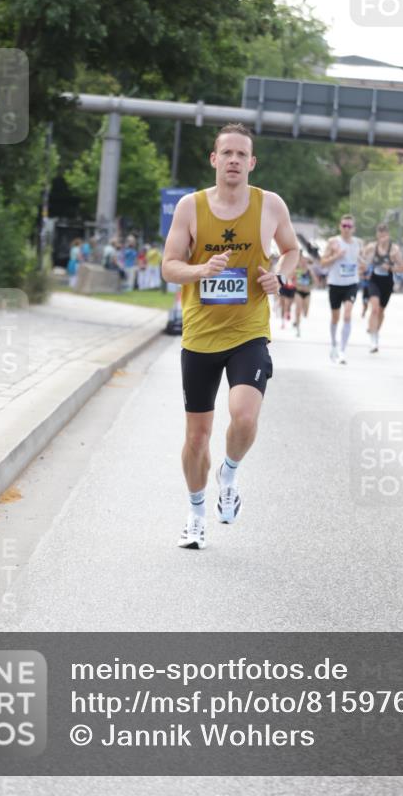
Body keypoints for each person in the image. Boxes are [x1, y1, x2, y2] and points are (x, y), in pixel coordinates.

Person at [161, 123, 299, 550]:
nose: (235, 160)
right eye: (228, 153)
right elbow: (169, 266)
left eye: (243, 154)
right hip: (200, 335)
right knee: (196, 437)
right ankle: (195, 513)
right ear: (214, 160)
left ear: (252, 163)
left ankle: (230, 474)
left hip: (248, 331)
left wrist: (280, 276)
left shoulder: (270, 205)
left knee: (243, 415)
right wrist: (199, 270)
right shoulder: (190, 207)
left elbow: (292, 250)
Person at [320, 214, 363, 364]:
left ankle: (342, 351)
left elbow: (361, 261)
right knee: (335, 317)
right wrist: (336, 255)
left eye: (349, 226)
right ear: (340, 226)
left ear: (353, 229)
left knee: (347, 315)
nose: (346, 229)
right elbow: (323, 263)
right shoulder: (333, 242)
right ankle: (333, 345)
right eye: (344, 226)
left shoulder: (358, 243)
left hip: (351, 283)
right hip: (335, 284)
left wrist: (362, 265)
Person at [362, 224, 403, 354]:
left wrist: (391, 268)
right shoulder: (372, 247)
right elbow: (361, 257)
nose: (382, 238)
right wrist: (364, 266)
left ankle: (375, 332)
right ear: (377, 235)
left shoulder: (394, 250)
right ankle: (373, 341)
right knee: (374, 309)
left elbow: (402, 268)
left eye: (384, 235)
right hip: (374, 280)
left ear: (388, 235)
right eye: (379, 235)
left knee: (381, 311)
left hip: (387, 282)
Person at [293, 253, 313, 337]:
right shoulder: (297, 270)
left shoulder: (309, 271)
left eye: (305, 261)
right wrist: (295, 281)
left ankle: (299, 319)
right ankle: (298, 328)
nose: (304, 262)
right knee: (298, 310)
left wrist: (311, 286)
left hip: (307, 293)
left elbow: (316, 281)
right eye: (302, 260)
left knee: (305, 313)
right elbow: (291, 279)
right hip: (298, 292)